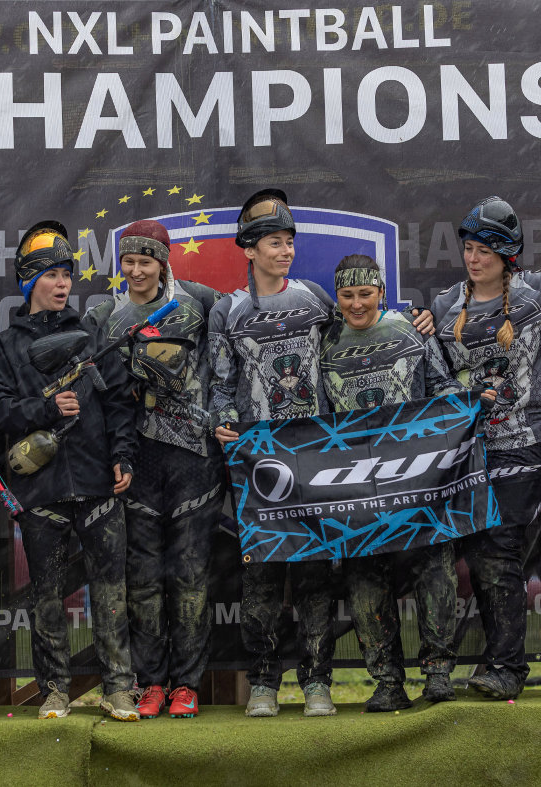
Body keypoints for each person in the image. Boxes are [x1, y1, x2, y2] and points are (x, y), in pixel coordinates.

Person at [0, 221, 140, 721]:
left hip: (98, 485)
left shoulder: (92, 336)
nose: (62, 283)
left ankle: (119, 689)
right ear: (29, 283)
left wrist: (123, 455)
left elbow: (120, 403)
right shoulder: (4, 347)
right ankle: (54, 691)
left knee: (110, 591)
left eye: (67, 274)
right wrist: (45, 409)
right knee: (46, 596)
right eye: (50, 275)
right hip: (39, 490)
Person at [429, 196, 541, 701]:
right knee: (481, 553)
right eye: (468, 248)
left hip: (528, 443)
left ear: (508, 255)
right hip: (472, 448)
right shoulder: (445, 305)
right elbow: (436, 376)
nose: (474, 258)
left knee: (500, 548)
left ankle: (507, 667)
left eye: (485, 250)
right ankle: (497, 662)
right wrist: (461, 394)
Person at [85, 220, 223, 719]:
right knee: (142, 580)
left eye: (146, 261)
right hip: (136, 456)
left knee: (191, 576)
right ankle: (151, 684)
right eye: (129, 261)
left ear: (164, 262)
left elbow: (233, 356)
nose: (137, 270)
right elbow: (93, 386)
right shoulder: (104, 314)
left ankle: (186, 684)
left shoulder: (202, 302)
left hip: (194, 456)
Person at [210, 189, 339, 717]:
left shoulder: (314, 297)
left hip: (314, 455)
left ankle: (318, 682)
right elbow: (220, 386)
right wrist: (222, 422)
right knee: (261, 575)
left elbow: (347, 354)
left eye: (289, 242)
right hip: (258, 462)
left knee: (313, 574)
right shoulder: (228, 310)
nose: (285, 252)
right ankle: (263, 682)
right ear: (250, 250)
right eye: (274, 243)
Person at [320, 254, 464, 712]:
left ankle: (438, 673)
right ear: (337, 297)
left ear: (382, 293)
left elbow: (443, 386)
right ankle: (386, 682)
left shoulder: (412, 329)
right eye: (347, 295)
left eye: (366, 294)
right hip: (355, 483)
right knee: (364, 578)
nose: (357, 304)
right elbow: (315, 415)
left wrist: (463, 404)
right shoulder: (325, 341)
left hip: (417, 476)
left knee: (434, 566)